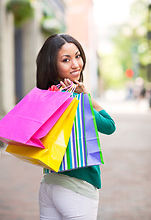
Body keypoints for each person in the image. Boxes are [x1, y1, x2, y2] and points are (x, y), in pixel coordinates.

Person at [36, 34, 116, 220]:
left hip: (48, 184)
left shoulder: (43, 98)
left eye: (78, 56)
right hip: (78, 188)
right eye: (66, 60)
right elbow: (109, 125)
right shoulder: (76, 101)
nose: (76, 64)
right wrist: (86, 96)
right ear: (52, 65)